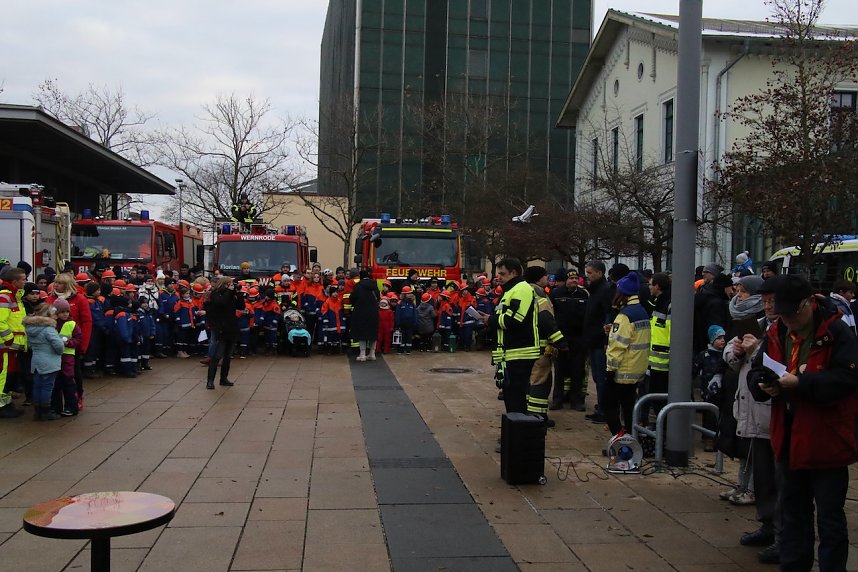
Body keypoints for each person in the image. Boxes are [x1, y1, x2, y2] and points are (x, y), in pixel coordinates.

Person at [749, 275, 858, 571]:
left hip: (827, 441)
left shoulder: (837, 331)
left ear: (809, 303)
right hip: (788, 438)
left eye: (793, 313)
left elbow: (848, 379)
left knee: (830, 520)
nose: (788, 320)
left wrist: (802, 383)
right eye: (782, 315)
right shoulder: (776, 331)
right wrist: (763, 383)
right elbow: (758, 369)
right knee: (793, 516)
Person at [725, 274, 783, 565]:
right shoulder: (753, 323)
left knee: (779, 478)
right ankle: (768, 524)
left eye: (745, 291)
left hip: (772, 412)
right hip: (751, 410)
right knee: (761, 476)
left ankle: (782, 535)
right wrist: (735, 350)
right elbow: (732, 354)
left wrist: (755, 350)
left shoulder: (782, 328)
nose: (740, 295)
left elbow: (782, 366)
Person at [479, 258, 540, 417]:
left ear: (514, 273)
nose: (498, 277)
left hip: (520, 351)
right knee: (511, 395)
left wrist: (491, 320)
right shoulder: (511, 290)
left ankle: (517, 433)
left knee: (516, 396)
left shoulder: (521, 289)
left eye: (502, 273)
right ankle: (514, 432)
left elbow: (515, 320)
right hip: (512, 351)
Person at [603, 272, 650, 436]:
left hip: (622, 371)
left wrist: (610, 370)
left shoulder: (624, 316)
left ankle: (619, 440)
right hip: (636, 370)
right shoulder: (641, 311)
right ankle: (630, 437)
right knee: (629, 407)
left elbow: (617, 346)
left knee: (608, 406)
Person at [549, 269, 589, 411]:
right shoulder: (556, 294)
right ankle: (557, 400)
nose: (573, 280)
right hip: (561, 338)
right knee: (559, 370)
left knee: (577, 371)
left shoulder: (584, 295)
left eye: (575, 278)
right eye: (571, 278)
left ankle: (576, 400)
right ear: (565, 280)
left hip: (578, 339)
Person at [582, 260, 612, 423]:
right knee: (597, 377)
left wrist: (605, 336)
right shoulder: (594, 290)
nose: (587, 276)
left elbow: (607, 313)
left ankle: (604, 410)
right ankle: (601, 407)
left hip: (600, 341)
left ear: (599, 273)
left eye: (590, 273)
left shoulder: (605, 290)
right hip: (593, 339)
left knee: (601, 378)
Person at [22, 304, 64, 421]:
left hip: (36, 361)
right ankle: (46, 411)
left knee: (37, 386)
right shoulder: (48, 329)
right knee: (47, 387)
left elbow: (29, 345)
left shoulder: (29, 328)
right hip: (49, 361)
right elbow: (59, 345)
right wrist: (60, 351)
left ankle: (38, 411)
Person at [204, 277, 244, 389]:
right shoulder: (216, 294)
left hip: (231, 328)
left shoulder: (230, 295)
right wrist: (229, 291)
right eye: (229, 284)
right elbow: (221, 303)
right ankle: (210, 381)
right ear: (224, 284)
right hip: (220, 328)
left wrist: (238, 294)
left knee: (228, 356)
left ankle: (223, 378)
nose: (231, 286)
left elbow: (241, 306)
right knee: (217, 355)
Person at [0, 267, 28, 418]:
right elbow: (1, 322)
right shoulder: (5, 298)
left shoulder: (15, 297)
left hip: (11, 347)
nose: (25, 281)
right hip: (5, 346)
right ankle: (2, 406)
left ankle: (6, 403)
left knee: (9, 376)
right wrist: (10, 339)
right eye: (23, 279)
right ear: (15, 281)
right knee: (3, 377)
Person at [52, 298, 82, 416]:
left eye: (67, 312)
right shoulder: (52, 324)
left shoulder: (72, 324)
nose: (65, 314)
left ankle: (71, 407)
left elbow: (78, 339)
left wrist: (69, 343)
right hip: (55, 357)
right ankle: (56, 407)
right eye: (62, 312)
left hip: (68, 357)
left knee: (68, 383)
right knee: (56, 384)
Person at [350, 270, 380, 361]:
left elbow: (352, 298)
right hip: (373, 312)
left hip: (360, 312)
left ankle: (362, 354)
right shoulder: (374, 285)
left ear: (360, 276)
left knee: (361, 333)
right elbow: (378, 297)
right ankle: (372, 354)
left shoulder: (358, 286)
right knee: (373, 333)